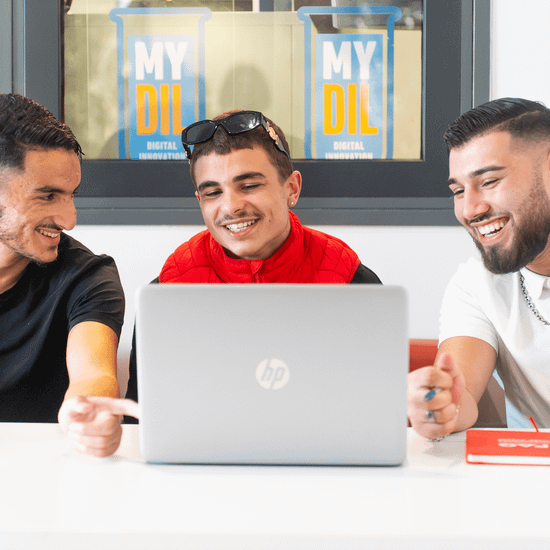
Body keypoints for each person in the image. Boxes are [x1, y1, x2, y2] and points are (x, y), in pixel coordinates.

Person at [123, 109, 381, 405]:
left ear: (292, 189)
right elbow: (139, 416)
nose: (231, 207)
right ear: (199, 201)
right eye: (213, 192)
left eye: (249, 186)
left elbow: (380, 406)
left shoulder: (353, 283)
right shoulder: (165, 294)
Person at [408, 97, 550, 439]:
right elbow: (462, 395)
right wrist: (441, 407)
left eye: (488, 182)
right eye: (458, 191)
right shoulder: (476, 284)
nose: (470, 209)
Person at [0, 93, 133, 456]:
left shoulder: (87, 277)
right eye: (48, 196)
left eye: (71, 195)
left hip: (48, 477)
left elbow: (94, 374)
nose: (70, 220)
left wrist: (90, 412)